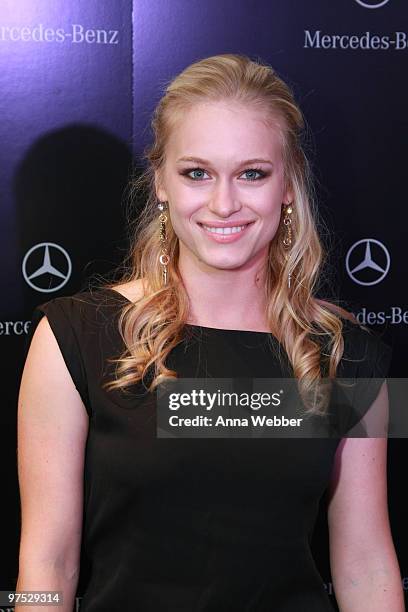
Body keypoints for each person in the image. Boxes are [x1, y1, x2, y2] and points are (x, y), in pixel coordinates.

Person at [16, 53, 404, 611]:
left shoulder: (350, 354)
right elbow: (46, 564)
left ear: (288, 184)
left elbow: (367, 565)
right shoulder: (74, 337)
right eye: (197, 172)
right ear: (161, 182)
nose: (224, 204)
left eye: (252, 173)